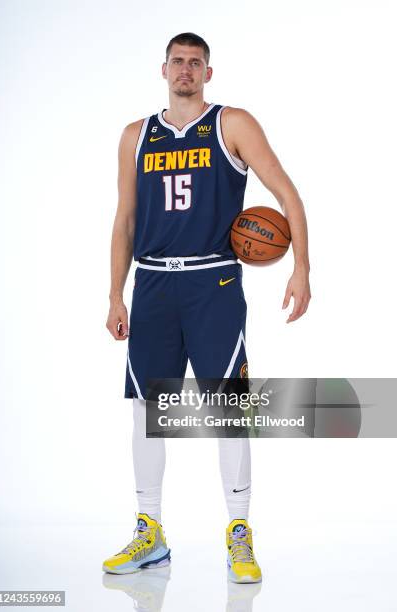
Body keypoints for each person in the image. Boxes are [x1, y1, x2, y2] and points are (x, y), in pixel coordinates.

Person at [103, 32, 311, 583]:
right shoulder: (135, 136)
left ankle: (239, 533)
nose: (186, 70)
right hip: (151, 287)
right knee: (148, 414)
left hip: (212, 284)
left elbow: (288, 195)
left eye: (196, 63)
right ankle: (150, 531)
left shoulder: (231, 124)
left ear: (208, 73)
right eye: (178, 62)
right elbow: (125, 220)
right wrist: (113, 294)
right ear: (163, 69)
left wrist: (303, 268)